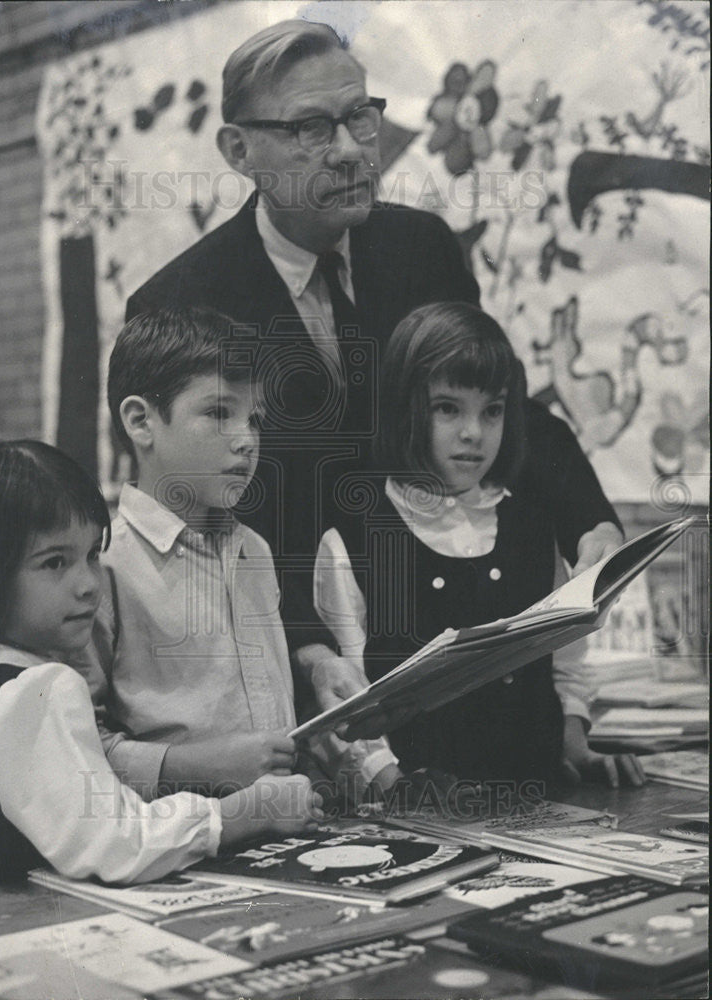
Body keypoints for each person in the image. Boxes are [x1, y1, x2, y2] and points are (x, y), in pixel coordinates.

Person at [126, 19, 623, 725]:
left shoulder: (420, 248)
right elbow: (195, 522)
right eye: (311, 128)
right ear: (239, 150)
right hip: (299, 668)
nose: (352, 151)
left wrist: (589, 524)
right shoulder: (179, 303)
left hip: (447, 648)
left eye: (360, 116)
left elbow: (498, 397)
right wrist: (303, 647)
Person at [0, 438, 322, 890]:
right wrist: (248, 811)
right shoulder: (40, 689)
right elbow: (114, 842)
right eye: (54, 563)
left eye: (90, 555)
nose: (88, 583)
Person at [74, 307, 402, 806]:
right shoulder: (104, 567)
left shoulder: (254, 550)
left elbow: (279, 721)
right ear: (141, 422)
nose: (247, 440)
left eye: (255, 419)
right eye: (219, 414)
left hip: (291, 823)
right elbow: (80, 748)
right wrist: (193, 766)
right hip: (182, 843)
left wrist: (370, 769)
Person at [313, 302, 646, 786]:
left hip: (539, 796)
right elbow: (346, 702)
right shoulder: (356, 536)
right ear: (407, 407)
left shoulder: (531, 523)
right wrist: (390, 783)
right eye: (448, 408)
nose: (473, 433)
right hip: (414, 809)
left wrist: (579, 749)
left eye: (492, 411)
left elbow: (565, 667)